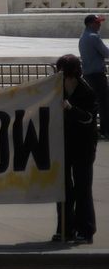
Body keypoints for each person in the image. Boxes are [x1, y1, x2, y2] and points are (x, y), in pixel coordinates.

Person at [56, 53, 97, 244]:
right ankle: (65, 228)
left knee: (82, 188)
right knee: (62, 188)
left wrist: (71, 109)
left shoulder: (86, 90)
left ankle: (86, 229)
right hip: (63, 144)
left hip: (84, 146)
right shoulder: (56, 88)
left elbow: (89, 119)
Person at [79, 16, 109, 139]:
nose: (99, 25)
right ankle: (105, 131)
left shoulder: (83, 38)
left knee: (92, 103)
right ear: (91, 24)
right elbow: (106, 53)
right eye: (97, 22)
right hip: (97, 76)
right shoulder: (94, 37)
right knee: (104, 104)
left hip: (88, 75)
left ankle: (90, 130)